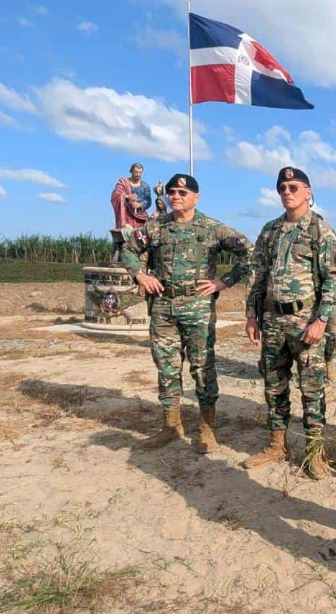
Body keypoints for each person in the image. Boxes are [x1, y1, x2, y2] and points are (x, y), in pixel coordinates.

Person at [119, 174, 254, 454]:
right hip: (163, 308)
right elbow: (129, 251)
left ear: (196, 197)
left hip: (197, 308)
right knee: (166, 367)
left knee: (202, 367)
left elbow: (250, 254)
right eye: (171, 192)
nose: (175, 196)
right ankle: (171, 426)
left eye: (182, 192)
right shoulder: (156, 227)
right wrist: (141, 276)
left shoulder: (212, 228)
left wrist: (223, 282)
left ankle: (206, 428)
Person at [243, 167, 336, 480]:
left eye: (294, 187)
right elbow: (257, 274)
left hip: (306, 321)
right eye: (283, 187)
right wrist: (251, 314)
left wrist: (322, 320)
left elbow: (335, 280)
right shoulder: (270, 230)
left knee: (312, 389)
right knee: (274, 386)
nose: (288, 192)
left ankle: (314, 453)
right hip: (273, 320)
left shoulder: (320, 231)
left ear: (309, 192)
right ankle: (277, 444)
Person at [110, 163, 159, 229]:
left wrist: (140, 205)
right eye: (136, 172)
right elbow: (116, 194)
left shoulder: (145, 186)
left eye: (140, 172)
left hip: (141, 217)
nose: (138, 174)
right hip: (127, 215)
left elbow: (148, 201)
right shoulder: (123, 182)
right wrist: (126, 196)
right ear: (131, 171)